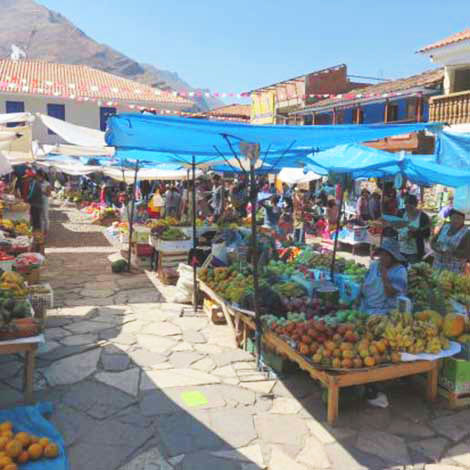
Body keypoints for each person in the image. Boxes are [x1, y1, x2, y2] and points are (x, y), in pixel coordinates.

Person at [360, 238, 408, 315]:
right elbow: (365, 283)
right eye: (381, 254)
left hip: (385, 310)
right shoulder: (374, 265)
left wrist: (384, 277)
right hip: (367, 304)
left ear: (393, 257)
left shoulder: (400, 271)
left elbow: (391, 294)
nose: (382, 257)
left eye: (386, 255)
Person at [431, 208, 470, 273]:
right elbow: (433, 241)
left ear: (463, 219)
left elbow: (467, 254)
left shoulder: (466, 233)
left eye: (459, 218)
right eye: (454, 218)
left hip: (454, 270)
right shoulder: (445, 227)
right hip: (437, 265)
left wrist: (452, 252)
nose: (456, 221)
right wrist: (436, 248)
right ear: (450, 218)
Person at [396, 195, 431, 263]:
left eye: (410, 204)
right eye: (406, 204)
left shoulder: (423, 217)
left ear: (415, 205)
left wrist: (415, 233)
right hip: (399, 249)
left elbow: (427, 234)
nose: (408, 206)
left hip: (415, 252)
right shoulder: (401, 213)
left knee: (412, 271)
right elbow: (395, 225)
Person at [37, 170, 52, 235]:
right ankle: (41, 230)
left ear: (42, 177)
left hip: (45, 200)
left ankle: (46, 230)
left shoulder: (47, 184)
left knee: (45, 216)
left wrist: (41, 191)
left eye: (38, 176)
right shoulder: (37, 183)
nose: (37, 178)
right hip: (38, 200)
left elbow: (48, 194)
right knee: (40, 216)